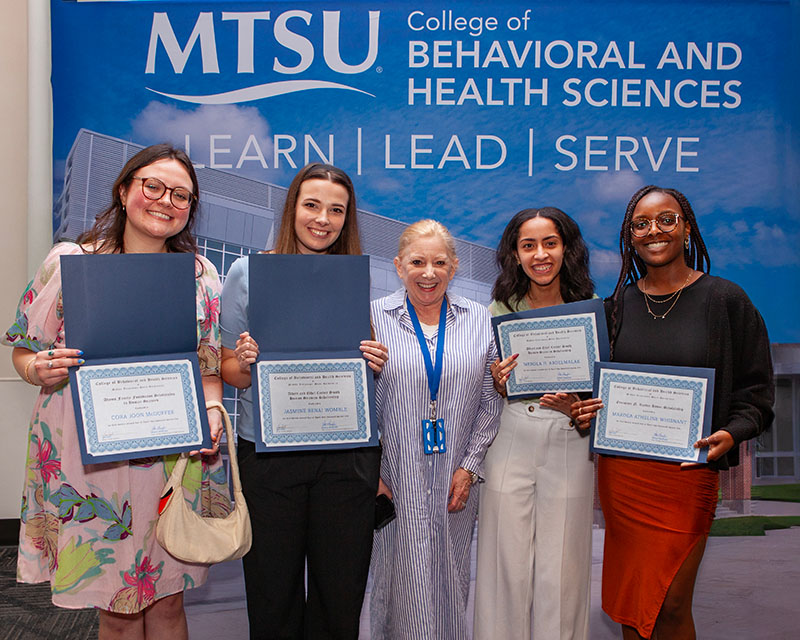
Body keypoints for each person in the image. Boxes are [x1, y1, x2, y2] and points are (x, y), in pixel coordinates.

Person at [3, 144, 229, 639]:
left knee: (169, 604)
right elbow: (22, 348)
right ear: (125, 190)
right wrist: (36, 368)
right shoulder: (70, 263)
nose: (165, 200)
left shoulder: (201, 276)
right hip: (91, 464)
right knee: (117, 610)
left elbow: (209, 370)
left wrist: (212, 409)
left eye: (181, 195)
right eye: (153, 186)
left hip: (173, 459)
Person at [572, 185, 774, 640]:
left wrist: (733, 432)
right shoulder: (614, 308)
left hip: (688, 475)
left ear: (686, 228)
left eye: (666, 219)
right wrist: (584, 411)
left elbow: (757, 391)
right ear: (629, 237)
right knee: (633, 603)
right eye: (641, 224)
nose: (654, 231)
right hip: (624, 477)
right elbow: (594, 391)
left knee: (672, 603)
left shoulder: (726, 300)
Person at [219, 162, 388, 639]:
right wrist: (246, 364)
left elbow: (357, 357)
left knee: (340, 597)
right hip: (270, 458)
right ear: (292, 208)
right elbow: (228, 368)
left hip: (347, 459)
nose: (323, 219)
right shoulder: (247, 272)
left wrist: (374, 357)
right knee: (273, 597)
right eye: (312, 205)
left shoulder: (353, 275)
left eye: (337, 210)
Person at [369, 219, 503, 640]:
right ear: (398, 265)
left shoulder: (481, 321)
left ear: (455, 266)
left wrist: (470, 466)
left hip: (456, 478)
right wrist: (370, 470)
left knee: (451, 578)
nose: (429, 273)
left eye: (439, 262)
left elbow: (491, 398)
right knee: (396, 582)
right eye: (417, 262)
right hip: (394, 477)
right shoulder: (372, 318)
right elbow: (356, 398)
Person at [473, 208, 595, 640]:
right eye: (529, 246)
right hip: (510, 439)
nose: (540, 255)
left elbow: (601, 395)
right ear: (515, 254)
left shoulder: (593, 311)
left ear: (567, 248)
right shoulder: (495, 311)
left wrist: (580, 409)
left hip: (569, 442)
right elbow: (481, 393)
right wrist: (498, 384)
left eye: (550, 243)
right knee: (504, 568)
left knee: (562, 572)